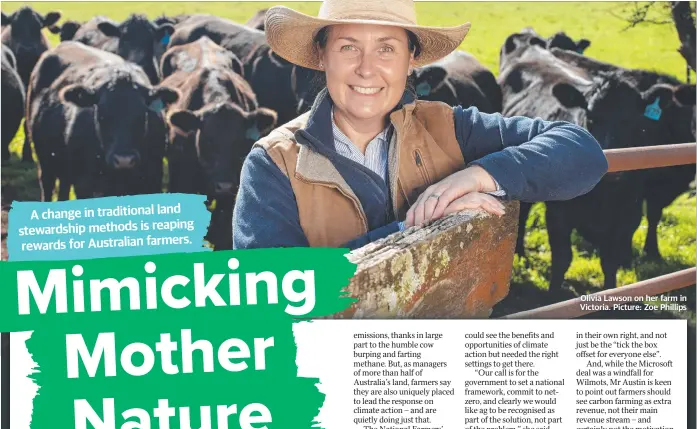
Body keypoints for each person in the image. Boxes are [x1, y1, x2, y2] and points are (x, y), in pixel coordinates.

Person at [232, 0, 608, 251]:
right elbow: (273, 294)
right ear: (321, 55)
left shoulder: (448, 127)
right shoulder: (274, 164)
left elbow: (582, 151)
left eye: (386, 48)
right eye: (348, 47)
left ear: (411, 59)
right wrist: (418, 230)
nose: (366, 68)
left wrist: (478, 176)